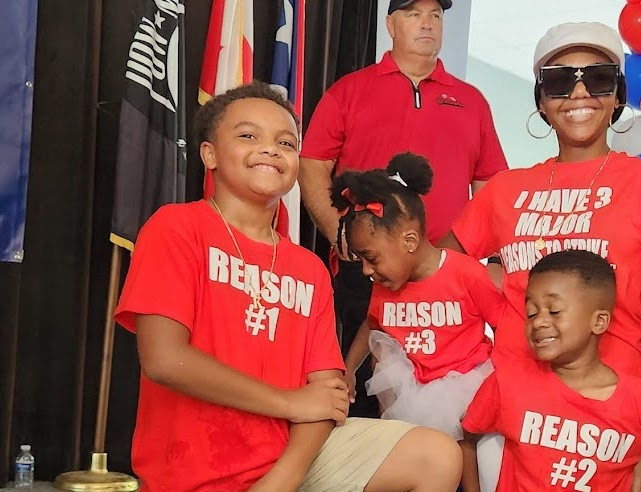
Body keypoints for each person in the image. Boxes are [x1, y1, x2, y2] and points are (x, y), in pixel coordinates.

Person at [114, 81, 462, 492]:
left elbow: (327, 395)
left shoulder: (308, 268)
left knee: (437, 456)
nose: (270, 149)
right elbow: (164, 359)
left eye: (286, 142)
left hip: (292, 460)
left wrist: (283, 478)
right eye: (248, 136)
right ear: (209, 154)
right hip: (193, 465)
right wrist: (286, 403)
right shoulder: (176, 228)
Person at [440, 22, 641, 491]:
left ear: (618, 94)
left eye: (597, 78)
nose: (579, 92)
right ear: (541, 100)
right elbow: (437, 272)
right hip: (513, 418)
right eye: (560, 81)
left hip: (609, 429)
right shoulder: (504, 191)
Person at [298, 0, 508, 418]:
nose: (427, 23)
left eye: (436, 15)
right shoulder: (349, 90)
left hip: (451, 278)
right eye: (414, 14)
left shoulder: (472, 100)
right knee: (370, 396)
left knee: (459, 402)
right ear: (391, 24)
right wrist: (337, 232)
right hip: (370, 265)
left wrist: (497, 256)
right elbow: (312, 164)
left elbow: (492, 186)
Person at [332, 153, 504, 443]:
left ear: (409, 241)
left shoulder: (467, 274)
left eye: (371, 258)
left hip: (465, 387)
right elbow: (372, 326)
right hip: (410, 391)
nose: (365, 270)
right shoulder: (384, 285)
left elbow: (504, 326)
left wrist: (509, 380)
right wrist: (347, 371)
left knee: (466, 452)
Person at [461, 250, 641, 492]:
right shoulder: (508, 382)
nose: (539, 321)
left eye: (554, 310)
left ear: (599, 322)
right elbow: (467, 438)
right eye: (531, 312)